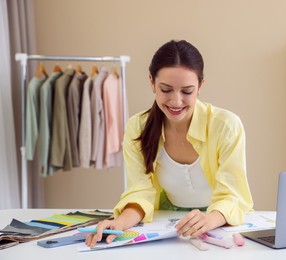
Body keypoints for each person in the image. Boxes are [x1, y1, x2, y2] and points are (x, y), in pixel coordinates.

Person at [86, 40, 253, 247]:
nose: (176, 101)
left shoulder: (226, 126)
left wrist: (208, 220)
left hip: (220, 226)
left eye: (187, 91)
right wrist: (119, 222)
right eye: (166, 90)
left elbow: (232, 194)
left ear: (201, 86)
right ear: (151, 82)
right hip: (167, 227)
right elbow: (140, 192)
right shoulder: (137, 128)